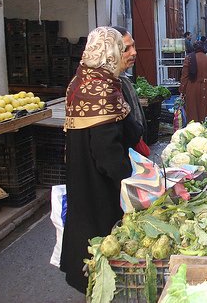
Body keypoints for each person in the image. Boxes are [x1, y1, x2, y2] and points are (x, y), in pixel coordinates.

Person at [61, 27, 138, 293]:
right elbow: (108, 155)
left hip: (80, 176)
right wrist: (132, 185)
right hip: (100, 186)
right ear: (110, 52)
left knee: (84, 229)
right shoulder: (103, 89)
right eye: (122, 48)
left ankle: (92, 286)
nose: (130, 53)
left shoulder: (79, 82)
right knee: (102, 241)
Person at [112, 26, 148, 145]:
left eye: (133, 46)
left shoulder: (123, 80)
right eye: (126, 48)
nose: (134, 52)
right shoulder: (105, 88)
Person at [179, 41, 207, 122]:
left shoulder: (189, 59)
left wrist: (182, 91)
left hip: (192, 88)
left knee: (193, 111)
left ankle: (194, 130)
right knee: (206, 110)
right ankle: (206, 128)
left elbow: (184, 77)